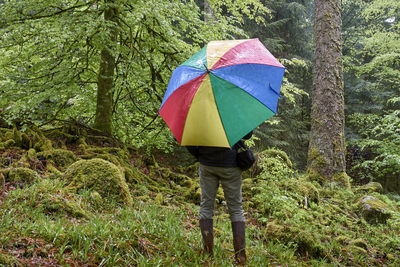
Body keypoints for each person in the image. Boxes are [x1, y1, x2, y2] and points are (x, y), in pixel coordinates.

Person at [187, 131, 253, 265]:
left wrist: (200, 154)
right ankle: (240, 257)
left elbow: (189, 138)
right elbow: (247, 134)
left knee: (206, 206)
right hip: (231, 164)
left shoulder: (200, 112)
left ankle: (208, 252)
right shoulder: (234, 110)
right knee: (236, 209)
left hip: (207, 163)